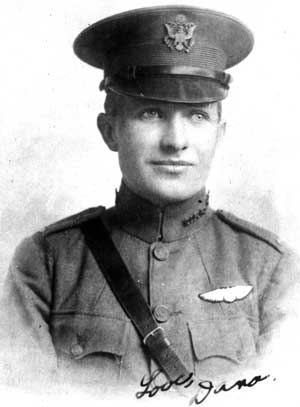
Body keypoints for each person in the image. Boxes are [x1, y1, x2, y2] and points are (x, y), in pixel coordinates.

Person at [2, 4, 299, 402]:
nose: (175, 141)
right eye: (152, 112)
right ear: (110, 131)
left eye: (196, 116)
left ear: (219, 134)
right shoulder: (46, 263)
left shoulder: (270, 268)